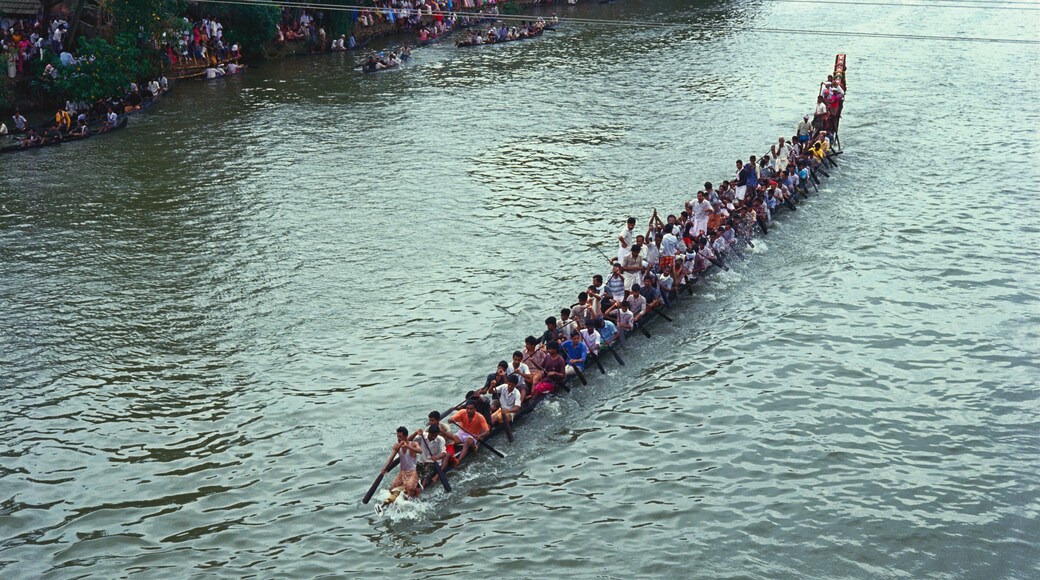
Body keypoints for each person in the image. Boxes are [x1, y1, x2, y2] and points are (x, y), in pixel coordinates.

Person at [381, 426, 420, 499]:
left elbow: (420, 451)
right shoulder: (396, 446)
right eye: (397, 436)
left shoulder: (413, 444)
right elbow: (391, 459)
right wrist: (385, 468)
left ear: (406, 436)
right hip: (402, 472)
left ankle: (416, 491)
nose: (398, 439)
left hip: (412, 472)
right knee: (391, 489)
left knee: (410, 488)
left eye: (400, 437)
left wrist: (407, 446)